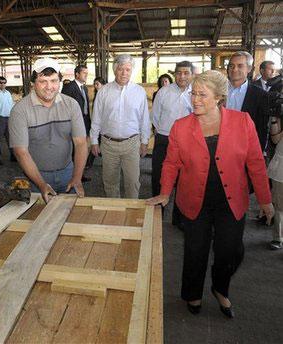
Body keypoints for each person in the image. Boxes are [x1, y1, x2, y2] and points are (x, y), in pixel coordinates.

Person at [147, 70, 273, 318]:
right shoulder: (181, 127)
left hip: (231, 200)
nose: (195, 99)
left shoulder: (242, 121)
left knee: (230, 251)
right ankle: (192, 293)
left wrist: (265, 199)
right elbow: (171, 163)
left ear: (219, 97)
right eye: (193, 93)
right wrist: (164, 193)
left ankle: (219, 287)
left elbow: (256, 163)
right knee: (195, 251)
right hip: (195, 200)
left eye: (202, 95)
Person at [9, 58, 88, 203]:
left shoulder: (71, 105)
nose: (49, 86)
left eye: (53, 81)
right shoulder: (20, 111)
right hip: (35, 178)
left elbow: (81, 143)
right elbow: (21, 152)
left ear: (60, 81)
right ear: (33, 84)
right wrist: (41, 184)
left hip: (68, 173)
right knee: (37, 219)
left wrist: (77, 177)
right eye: (43, 81)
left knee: (70, 217)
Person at [90, 54, 150, 199]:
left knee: (133, 182)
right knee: (110, 182)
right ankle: (114, 215)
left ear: (131, 71)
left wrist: (144, 141)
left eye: (128, 70)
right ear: (115, 70)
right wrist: (93, 141)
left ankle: (132, 213)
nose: (124, 73)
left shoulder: (139, 91)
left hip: (132, 144)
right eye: (121, 69)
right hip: (108, 144)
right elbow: (96, 118)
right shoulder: (104, 91)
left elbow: (144, 119)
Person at [151, 61, 193, 198]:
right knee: (160, 176)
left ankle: (180, 216)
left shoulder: (197, 92)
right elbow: (155, 116)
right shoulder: (164, 92)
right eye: (179, 73)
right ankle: (157, 211)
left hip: (188, 142)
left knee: (185, 180)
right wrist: (162, 132)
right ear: (174, 75)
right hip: (164, 139)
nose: (182, 76)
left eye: (186, 73)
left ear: (192, 75)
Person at [227, 51, 269, 152]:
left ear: (249, 69)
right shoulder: (217, 91)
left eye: (240, 66)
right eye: (231, 66)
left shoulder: (260, 95)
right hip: (218, 146)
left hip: (245, 148)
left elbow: (261, 129)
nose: (234, 69)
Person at [62, 64, 92, 179]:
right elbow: (64, 106)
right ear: (77, 74)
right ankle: (72, 175)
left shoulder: (84, 87)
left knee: (81, 148)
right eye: (84, 73)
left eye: (87, 73)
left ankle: (79, 174)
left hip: (84, 121)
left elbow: (85, 107)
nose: (86, 75)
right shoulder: (69, 87)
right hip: (72, 123)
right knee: (73, 149)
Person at [268, 118, 283, 249]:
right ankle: (278, 237)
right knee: (279, 205)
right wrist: (274, 120)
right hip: (281, 170)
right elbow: (275, 140)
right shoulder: (280, 116)